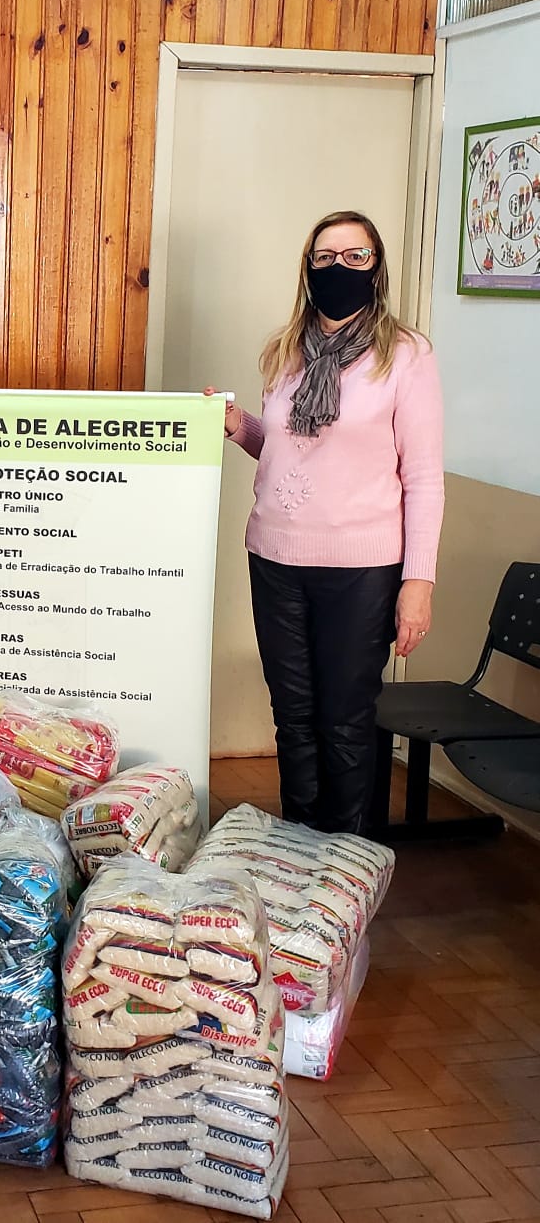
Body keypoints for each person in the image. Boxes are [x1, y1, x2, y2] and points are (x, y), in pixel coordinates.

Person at [213, 210, 444, 835]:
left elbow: (424, 478)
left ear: (377, 269)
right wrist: (238, 426)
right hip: (275, 558)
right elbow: (286, 447)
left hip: (362, 569)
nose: (338, 268)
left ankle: (344, 863)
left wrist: (418, 582)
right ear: (308, 268)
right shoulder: (284, 352)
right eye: (325, 257)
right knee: (293, 718)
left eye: (354, 257)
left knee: (344, 721)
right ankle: (299, 849)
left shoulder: (405, 356)